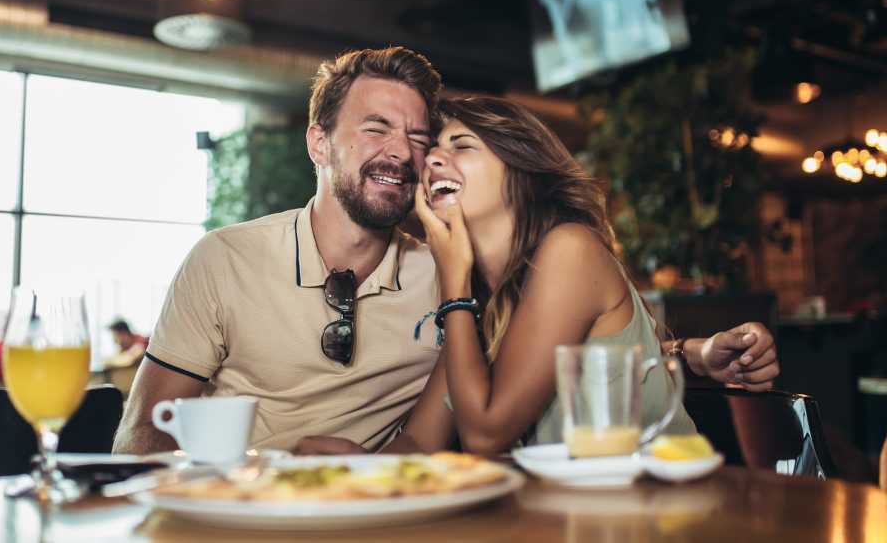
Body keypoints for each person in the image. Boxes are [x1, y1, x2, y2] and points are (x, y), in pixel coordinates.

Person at [113, 47, 778, 456]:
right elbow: (425, 441)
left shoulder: (458, 276)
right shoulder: (225, 260)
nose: (413, 156)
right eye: (377, 128)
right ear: (319, 144)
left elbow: (511, 405)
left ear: (517, 171)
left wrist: (692, 354)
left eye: (432, 141)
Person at [296, 96, 778, 455]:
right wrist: (355, 466)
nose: (432, 160)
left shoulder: (568, 249)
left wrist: (453, 281)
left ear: (521, 174)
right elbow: (423, 440)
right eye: (435, 149)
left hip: (661, 513)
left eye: (462, 146)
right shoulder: (483, 302)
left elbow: (487, 433)